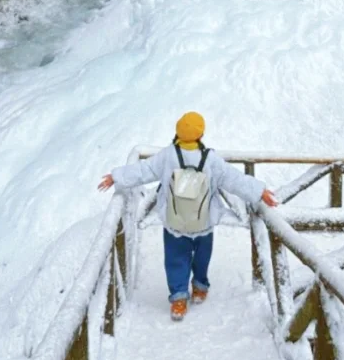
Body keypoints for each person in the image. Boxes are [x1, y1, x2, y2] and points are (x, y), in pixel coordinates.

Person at [98, 111, 278, 321]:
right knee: (202, 257)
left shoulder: (168, 155)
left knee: (176, 259)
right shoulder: (210, 159)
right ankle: (200, 287)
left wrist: (116, 176)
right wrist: (259, 191)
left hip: (175, 224)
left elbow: (143, 170)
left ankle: (178, 299)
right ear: (201, 134)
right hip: (204, 222)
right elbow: (234, 179)